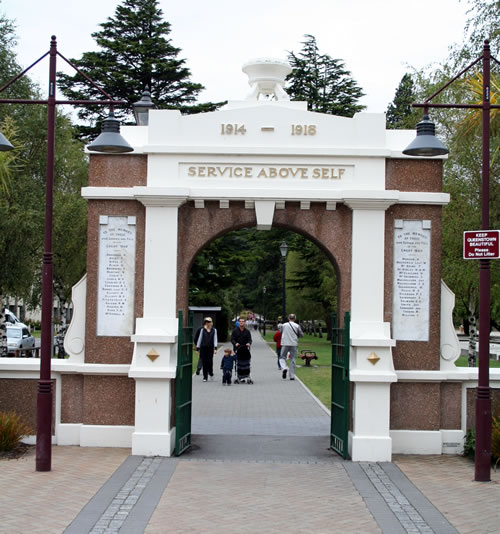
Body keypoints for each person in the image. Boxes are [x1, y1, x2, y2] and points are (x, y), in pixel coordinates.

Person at [279, 313, 304, 380]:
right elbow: (301, 335)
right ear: (295, 319)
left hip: (285, 343)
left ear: (288, 318)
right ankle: (292, 375)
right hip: (294, 344)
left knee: (282, 357)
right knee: (293, 359)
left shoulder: (283, 325)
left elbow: (280, 332)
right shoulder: (297, 326)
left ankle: (284, 368)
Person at [196, 317, 218, 382]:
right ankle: (205, 377)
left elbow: (215, 339)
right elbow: (200, 339)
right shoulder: (202, 330)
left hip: (210, 348)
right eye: (206, 322)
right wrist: (197, 348)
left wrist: (215, 348)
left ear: (211, 323)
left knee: (209, 361)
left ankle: (210, 373)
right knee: (204, 362)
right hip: (203, 348)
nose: (207, 323)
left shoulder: (214, 330)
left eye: (209, 322)